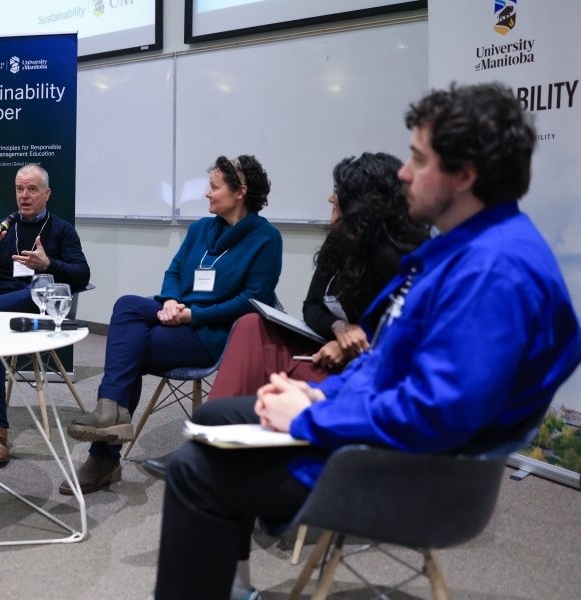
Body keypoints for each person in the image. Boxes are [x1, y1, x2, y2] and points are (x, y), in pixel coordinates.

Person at [152, 83, 581, 600]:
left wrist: (310, 415)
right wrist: (320, 395)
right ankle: (231, 582)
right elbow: (391, 366)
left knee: (196, 470)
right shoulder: (470, 250)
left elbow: (437, 413)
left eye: (418, 159)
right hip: (390, 440)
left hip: (412, 474)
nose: (403, 173)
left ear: (464, 175)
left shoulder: (493, 271)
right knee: (218, 420)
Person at [63, 155, 283, 494]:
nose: (207, 194)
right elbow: (175, 272)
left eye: (214, 187)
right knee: (127, 306)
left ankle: (104, 453)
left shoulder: (266, 239)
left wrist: (194, 315)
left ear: (240, 192)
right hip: (178, 313)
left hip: (213, 332)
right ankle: (110, 418)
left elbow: (252, 300)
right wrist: (169, 300)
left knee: (128, 350)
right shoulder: (199, 229)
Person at [208, 152, 429, 399]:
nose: (330, 197)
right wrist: (339, 327)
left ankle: (235, 417)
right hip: (325, 342)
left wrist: (352, 345)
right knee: (251, 326)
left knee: (260, 372)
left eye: (341, 191)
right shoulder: (339, 239)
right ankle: (220, 422)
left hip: (366, 365)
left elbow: (401, 336)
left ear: (366, 202)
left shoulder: (398, 258)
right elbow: (311, 307)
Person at [0, 164, 89, 464]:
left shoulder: (62, 230)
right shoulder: (3, 229)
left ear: (47, 193)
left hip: (39, 311)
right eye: (19, 189)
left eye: (32, 189)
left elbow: (82, 275)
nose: (24, 195)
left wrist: (48, 266)